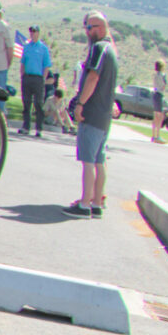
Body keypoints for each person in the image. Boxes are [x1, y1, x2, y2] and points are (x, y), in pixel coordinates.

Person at [65, 12, 119, 216]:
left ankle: (84, 204)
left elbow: (93, 77)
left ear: (100, 28)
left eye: (89, 27)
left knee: (88, 161)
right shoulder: (112, 51)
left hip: (93, 111)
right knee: (99, 160)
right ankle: (96, 202)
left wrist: (80, 103)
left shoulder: (98, 48)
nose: (87, 32)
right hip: (104, 116)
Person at [20, 26, 53, 137]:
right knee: (26, 103)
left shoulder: (43, 48)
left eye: (34, 31)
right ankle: (26, 127)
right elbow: (23, 63)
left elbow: (46, 65)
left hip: (38, 78)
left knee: (38, 103)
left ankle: (39, 128)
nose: (32, 33)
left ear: (38, 33)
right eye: (31, 31)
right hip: (27, 77)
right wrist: (22, 76)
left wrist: (43, 78)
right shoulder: (26, 47)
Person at [149, 60, 168, 143]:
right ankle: (157, 136)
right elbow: (163, 86)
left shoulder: (155, 75)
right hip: (159, 94)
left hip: (155, 94)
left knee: (155, 116)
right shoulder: (162, 75)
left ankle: (153, 135)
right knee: (160, 116)